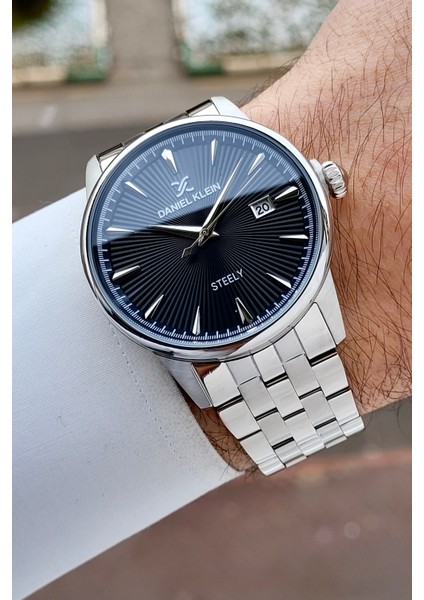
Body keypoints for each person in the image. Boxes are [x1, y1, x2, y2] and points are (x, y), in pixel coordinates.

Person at [12, 0, 411, 597]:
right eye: (194, 228)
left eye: (208, 221)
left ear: (326, 179)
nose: (203, 232)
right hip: (207, 336)